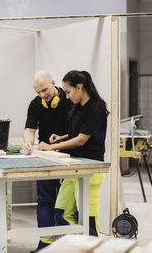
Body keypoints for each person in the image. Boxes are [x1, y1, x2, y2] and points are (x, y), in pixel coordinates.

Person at [37, 70, 109, 237]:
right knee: (61, 212)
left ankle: (91, 247)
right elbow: (78, 133)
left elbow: (81, 140)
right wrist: (60, 138)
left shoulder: (96, 108)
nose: (67, 96)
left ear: (79, 87)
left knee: (87, 219)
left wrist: (51, 147)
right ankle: (74, 246)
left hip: (90, 168)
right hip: (74, 166)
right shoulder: (79, 108)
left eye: (68, 92)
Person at [22, 70, 72, 253]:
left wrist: (60, 142)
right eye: (38, 92)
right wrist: (28, 143)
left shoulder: (69, 100)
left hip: (68, 159)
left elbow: (78, 133)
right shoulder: (36, 105)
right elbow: (29, 128)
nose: (43, 95)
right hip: (44, 159)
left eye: (45, 90)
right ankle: (45, 245)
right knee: (44, 200)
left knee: (67, 205)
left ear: (53, 82)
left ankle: (67, 246)